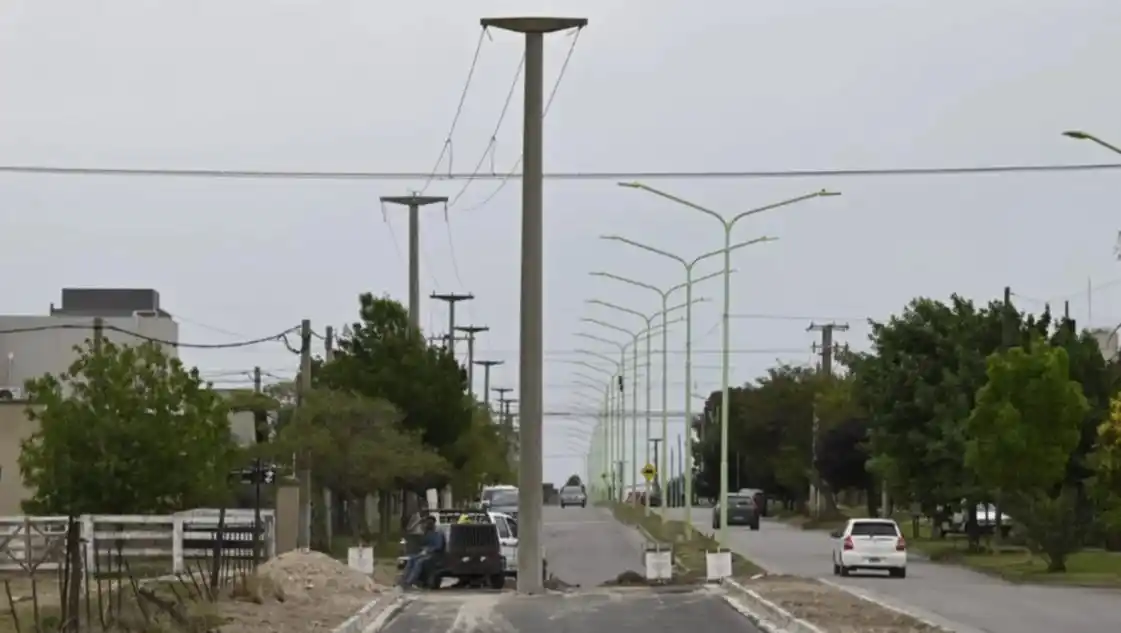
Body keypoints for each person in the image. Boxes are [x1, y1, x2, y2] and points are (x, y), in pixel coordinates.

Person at [400, 516, 445, 588]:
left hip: (435, 555)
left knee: (419, 562)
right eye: (426, 523)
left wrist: (428, 550)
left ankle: (410, 582)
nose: (427, 524)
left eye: (429, 523)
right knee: (412, 559)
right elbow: (421, 542)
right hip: (425, 553)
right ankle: (404, 580)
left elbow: (438, 546)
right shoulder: (427, 532)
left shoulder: (438, 533)